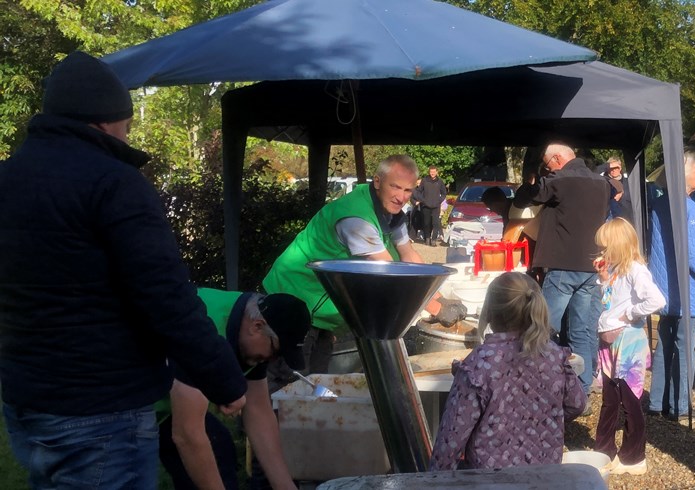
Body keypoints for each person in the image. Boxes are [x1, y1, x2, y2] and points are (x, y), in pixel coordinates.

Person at [0, 51, 248, 489]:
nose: (126, 134)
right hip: (100, 405)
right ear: (104, 121)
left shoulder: (9, 178)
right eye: (126, 125)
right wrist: (224, 378)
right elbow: (164, 294)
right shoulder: (114, 182)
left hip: (28, 398)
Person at [262, 155, 464, 373]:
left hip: (320, 309)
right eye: (395, 187)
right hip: (292, 299)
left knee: (318, 380)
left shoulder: (391, 213)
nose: (401, 197)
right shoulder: (355, 218)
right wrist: (436, 309)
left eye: (407, 190)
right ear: (377, 182)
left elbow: (408, 255)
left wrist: (439, 296)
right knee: (289, 380)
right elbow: (392, 276)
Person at [430, 272, 587, 470]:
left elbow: (450, 442)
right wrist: (541, 420)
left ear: (489, 312)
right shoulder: (554, 355)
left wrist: (434, 479)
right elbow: (577, 404)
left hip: (491, 480)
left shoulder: (479, 364)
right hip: (544, 477)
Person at [158, 289, 311, 490]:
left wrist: (285, 487)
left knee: (218, 447)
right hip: (129, 403)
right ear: (257, 326)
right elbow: (187, 435)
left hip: (167, 401)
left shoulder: (250, 330)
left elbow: (258, 411)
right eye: (275, 351)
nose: (273, 359)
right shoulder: (205, 330)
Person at [516, 143, 613, 393]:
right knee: (581, 329)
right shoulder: (601, 183)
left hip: (563, 265)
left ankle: (538, 383)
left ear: (558, 159)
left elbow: (524, 198)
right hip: (591, 265)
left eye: (548, 165)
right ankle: (583, 388)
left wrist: (531, 180)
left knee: (545, 326)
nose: (548, 170)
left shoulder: (559, 180)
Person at [591, 218, 665, 475]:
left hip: (628, 341)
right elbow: (610, 303)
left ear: (618, 245)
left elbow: (656, 300)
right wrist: (603, 280)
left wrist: (631, 314)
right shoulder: (615, 270)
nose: (602, 252)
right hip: (610, 341)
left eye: (605, 247)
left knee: (630, 400)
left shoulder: (635, 269)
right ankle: (604, 451)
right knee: (610, 400)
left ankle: (634, 457)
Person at [647, 153, 695, 421]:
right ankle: (680, 406)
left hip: (664, 285)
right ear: (682, 174)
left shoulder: (659, 204)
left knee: (665, 344)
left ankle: (657, 403)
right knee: (685, 348)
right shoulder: (689, 208)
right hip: (687, 288)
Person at [413, 166, 448, 246]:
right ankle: (427, 238)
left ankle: (433, 240)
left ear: (437, 172)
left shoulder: (440, 181)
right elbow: (418, 192)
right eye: (431, 172)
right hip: (426, 206)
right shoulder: (424, 180)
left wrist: (439, 200)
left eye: (434, 172)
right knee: (426, 223)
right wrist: (423, 200)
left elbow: (444, 193)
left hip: (436, 206)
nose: (432, 173)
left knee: (435, 224)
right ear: (429, 172)